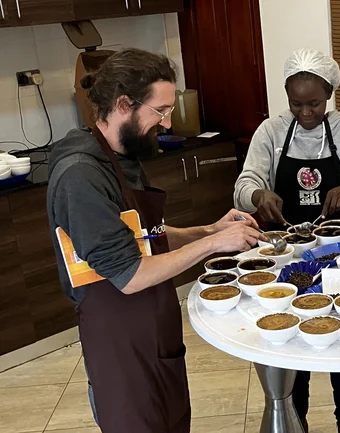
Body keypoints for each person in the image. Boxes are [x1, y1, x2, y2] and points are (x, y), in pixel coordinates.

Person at [47, 48, 264, 433]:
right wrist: (212, 246)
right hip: (120, 341)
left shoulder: (120, 156)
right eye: (160, 111)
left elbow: (147, 237)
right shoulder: (81, 176)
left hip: (153, 329)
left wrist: (209, 231)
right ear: (123, 104)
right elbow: (129, 273)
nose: (166, 124)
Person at [234, 48, 340, 433]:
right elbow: (244, 185)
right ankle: (295, 421)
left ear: (330, 95)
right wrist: (260, 196)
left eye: (315, 104)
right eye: (297, 104)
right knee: (292, 340)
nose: (306, 113)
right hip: (287, 254)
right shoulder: (270, 132)